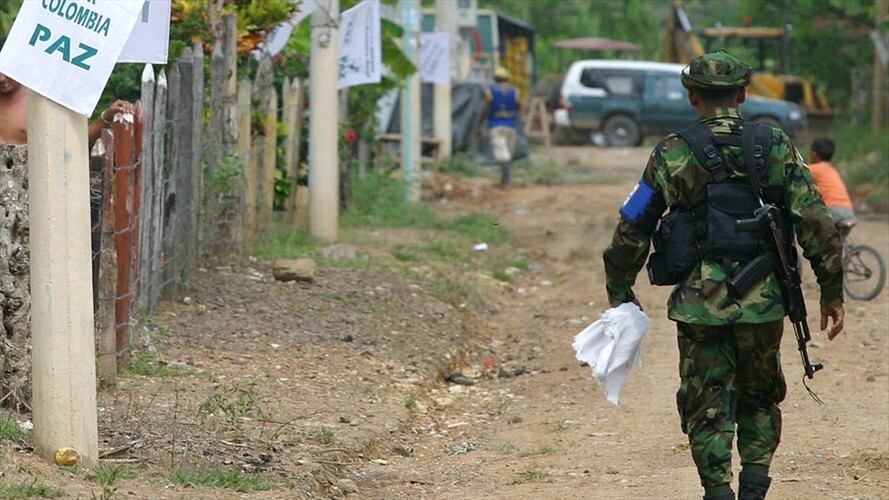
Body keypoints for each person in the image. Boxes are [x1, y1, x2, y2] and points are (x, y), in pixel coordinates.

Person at [602, 51, 845, 500]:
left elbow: (633, 225)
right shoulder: (775, 145)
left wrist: (620, 287)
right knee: (759, 396)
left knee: (705, 403)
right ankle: (754, 488)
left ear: (692, 97)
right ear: (743, 94)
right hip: (764, 302)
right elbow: (817, 223)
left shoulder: (672, 151)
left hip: (701, 307)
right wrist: (832, 290)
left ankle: (718, 492)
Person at [0, 36, 133, 148]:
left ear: (16, 63)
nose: (1, 78)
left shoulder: (43, 96)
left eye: (5, 70)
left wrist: (106, 118)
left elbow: (74, 145)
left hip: (27, 176)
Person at [484, 66, 521, 187]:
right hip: (511, 126)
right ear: (507, 79)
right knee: (507, 155)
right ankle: (505, 180)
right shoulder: (515, 91)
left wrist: (480, 123)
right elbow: (519, 106)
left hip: (496, 125)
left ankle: (506, 180)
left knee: (501, 155)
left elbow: (486, 108)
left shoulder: (490, 91)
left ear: (495, 79)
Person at [808, 137, 856, 227]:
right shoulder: (832, 170)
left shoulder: (812, 169)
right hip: (848, 211)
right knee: (838, 240)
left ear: (813, 154)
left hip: (831, 210)